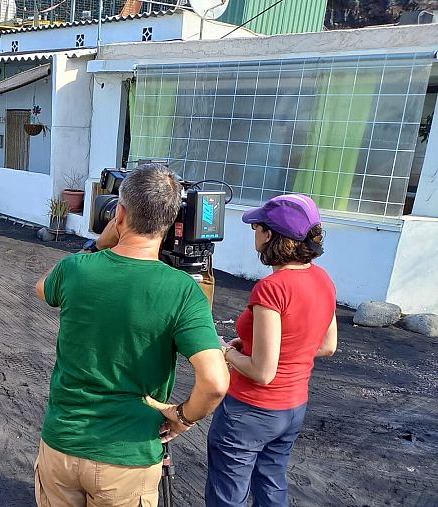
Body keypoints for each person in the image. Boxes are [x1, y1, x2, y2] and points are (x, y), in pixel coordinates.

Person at [34, 164, 230, 507]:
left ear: (119, 214)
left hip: (61, 446)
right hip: (128, 455)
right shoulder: (182, 290)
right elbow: (214, 382)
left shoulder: (75, 269)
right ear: (170, 225)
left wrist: (97, 245)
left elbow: (42, 288)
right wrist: (183, 417)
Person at [205, 194, 338, 507]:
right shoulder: (322, 278)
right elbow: (327, 345)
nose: (254, 233)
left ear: (269, 235)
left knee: (228, 495)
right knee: (271, 484)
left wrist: (227, 352)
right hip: (293, 408)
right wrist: (253, 347)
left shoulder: (272, 288)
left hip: (251, 410)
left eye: (257, 228)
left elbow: (263, 372)